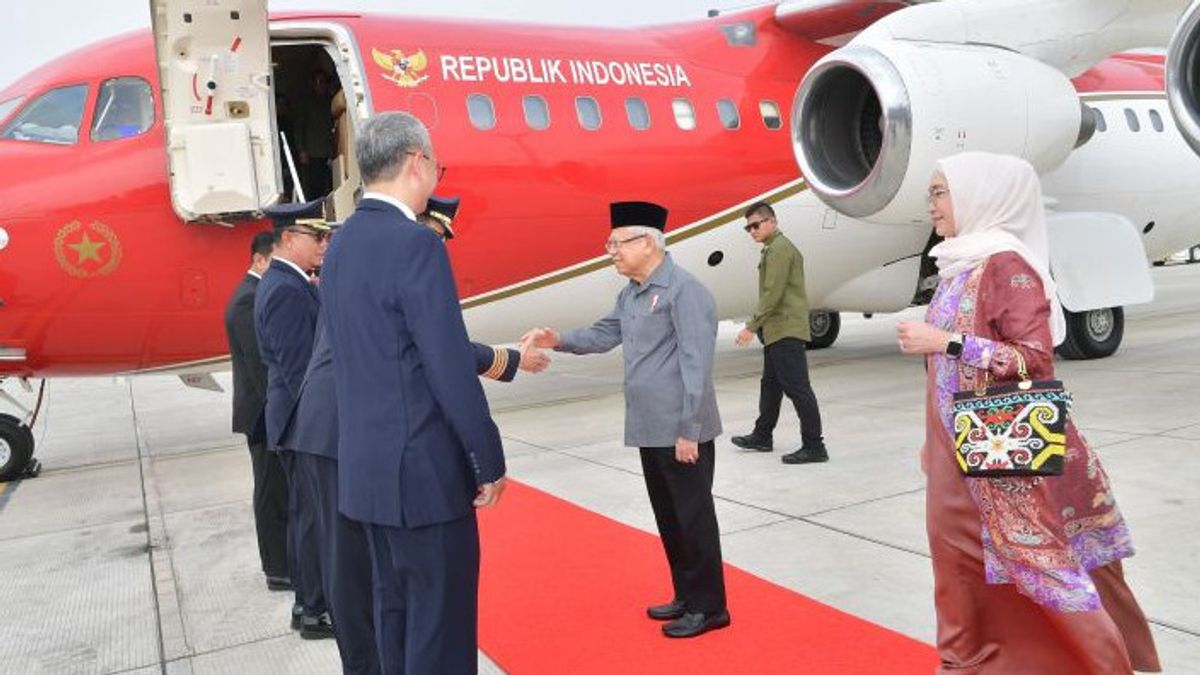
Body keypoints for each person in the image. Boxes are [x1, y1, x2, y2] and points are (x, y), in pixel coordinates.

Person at [896, 151, 1160, 673]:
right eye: (931, 193)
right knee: (957, 565)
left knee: (1035, 562)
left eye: (940, 192)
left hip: (999, 443)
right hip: (953, 446)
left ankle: (1102, 665)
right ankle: (968, 661)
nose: (931, 204)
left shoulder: (1006, 264)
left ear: (980, 195)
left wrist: (944, 341)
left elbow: (1033, 359)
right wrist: (932, 439)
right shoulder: (958, 262)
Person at [319, 111, 507, 674]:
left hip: (367, 477)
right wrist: (487, 458)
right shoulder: (414, 245)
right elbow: (447, 366)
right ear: (416, 162)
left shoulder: (341, 245)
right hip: (423, 477)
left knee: (394, 616)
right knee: (442, 630)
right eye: (437, 166)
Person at [523, 201, 729, 639]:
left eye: (618, 243)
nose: (611, 251)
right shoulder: (632, 292)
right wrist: (556, 338)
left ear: (648, 242)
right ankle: (686, 596)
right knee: (670, 517)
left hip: (681, 431)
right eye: (609, 243)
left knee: (693, 519)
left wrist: (689, 430)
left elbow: (697, 364)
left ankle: (710, 608)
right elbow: (602, 335)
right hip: (650, 428)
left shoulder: (683, 291)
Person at [253, 197, 334, 640]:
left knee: (308, 517)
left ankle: (308, 603)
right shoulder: (285, 289)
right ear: (288, 238)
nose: (324, 243)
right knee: (313, 520)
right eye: (316, 236)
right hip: (303, 425)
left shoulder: (293, 282)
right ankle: (314, 608)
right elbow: (301, 369)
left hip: (299, 424)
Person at [730, 201, 828, 464]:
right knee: (770, 387)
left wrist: (751, 326)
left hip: (785, 329)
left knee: (798, 389)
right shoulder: (773, 248)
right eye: (747, 227)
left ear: (772, 222)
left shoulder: (779, 250)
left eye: (755, 225)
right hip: (777, 330)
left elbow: (773, 294)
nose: (751, 231)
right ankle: (762, 436)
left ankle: (814, 446)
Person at [417, 194, 550, 379]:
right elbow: (446, 348)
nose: (440, 247)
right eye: (437, 237)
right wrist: (516, 359)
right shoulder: (411, 281)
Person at [224, 230, 290, 592]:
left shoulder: (255, 295)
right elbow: (262, 367)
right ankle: (278, 569)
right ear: (259, 260)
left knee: (280, 491)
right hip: (264, 415)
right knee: (271, 493)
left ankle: (285, 562)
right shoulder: (247, 301)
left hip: (267, 414)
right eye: (274, 263)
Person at [293, 69, 335, 200]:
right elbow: (299, 127)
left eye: (323, 82)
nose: (320, 85)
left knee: (332, 184)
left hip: (331, 150)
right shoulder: (306, 102)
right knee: (315, 185)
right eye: (317, 82)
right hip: (314, 151)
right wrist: (302, 150)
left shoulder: (331, 101)